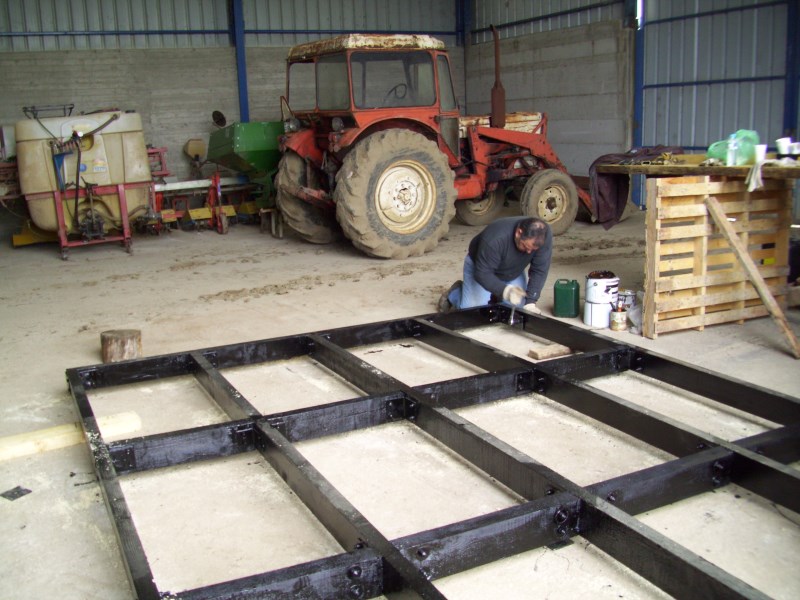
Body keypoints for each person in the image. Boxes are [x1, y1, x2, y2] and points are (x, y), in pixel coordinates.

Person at [438, 216, 552, 313]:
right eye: (525, 247)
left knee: (518, 309)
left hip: (512, 270)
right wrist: (505, 291)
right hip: (482, 267)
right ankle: (455, 293)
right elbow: (482, 273)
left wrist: (531, 301)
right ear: (519, 233)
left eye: (533, 250)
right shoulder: (495, 239)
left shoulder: (543, 236)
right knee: (474, 311)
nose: (528, 252)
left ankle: (494, 295)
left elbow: (539, 270)